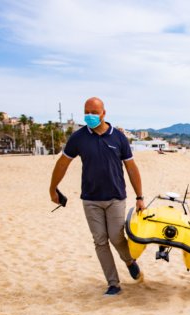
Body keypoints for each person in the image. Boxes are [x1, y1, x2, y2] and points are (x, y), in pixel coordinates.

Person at [49, 97, 145, 296]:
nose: (90, 116)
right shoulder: (78, 137)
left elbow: (131, 167)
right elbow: (63, 163)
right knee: (100, 240)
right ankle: (113, 283)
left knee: (116, 237)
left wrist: (139, 197)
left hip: (116, 197)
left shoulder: (118, 137)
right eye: (87, 112)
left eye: (94, 112)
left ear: (103, 113)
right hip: (91, 199)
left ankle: (129, 261)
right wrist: (53, 188)